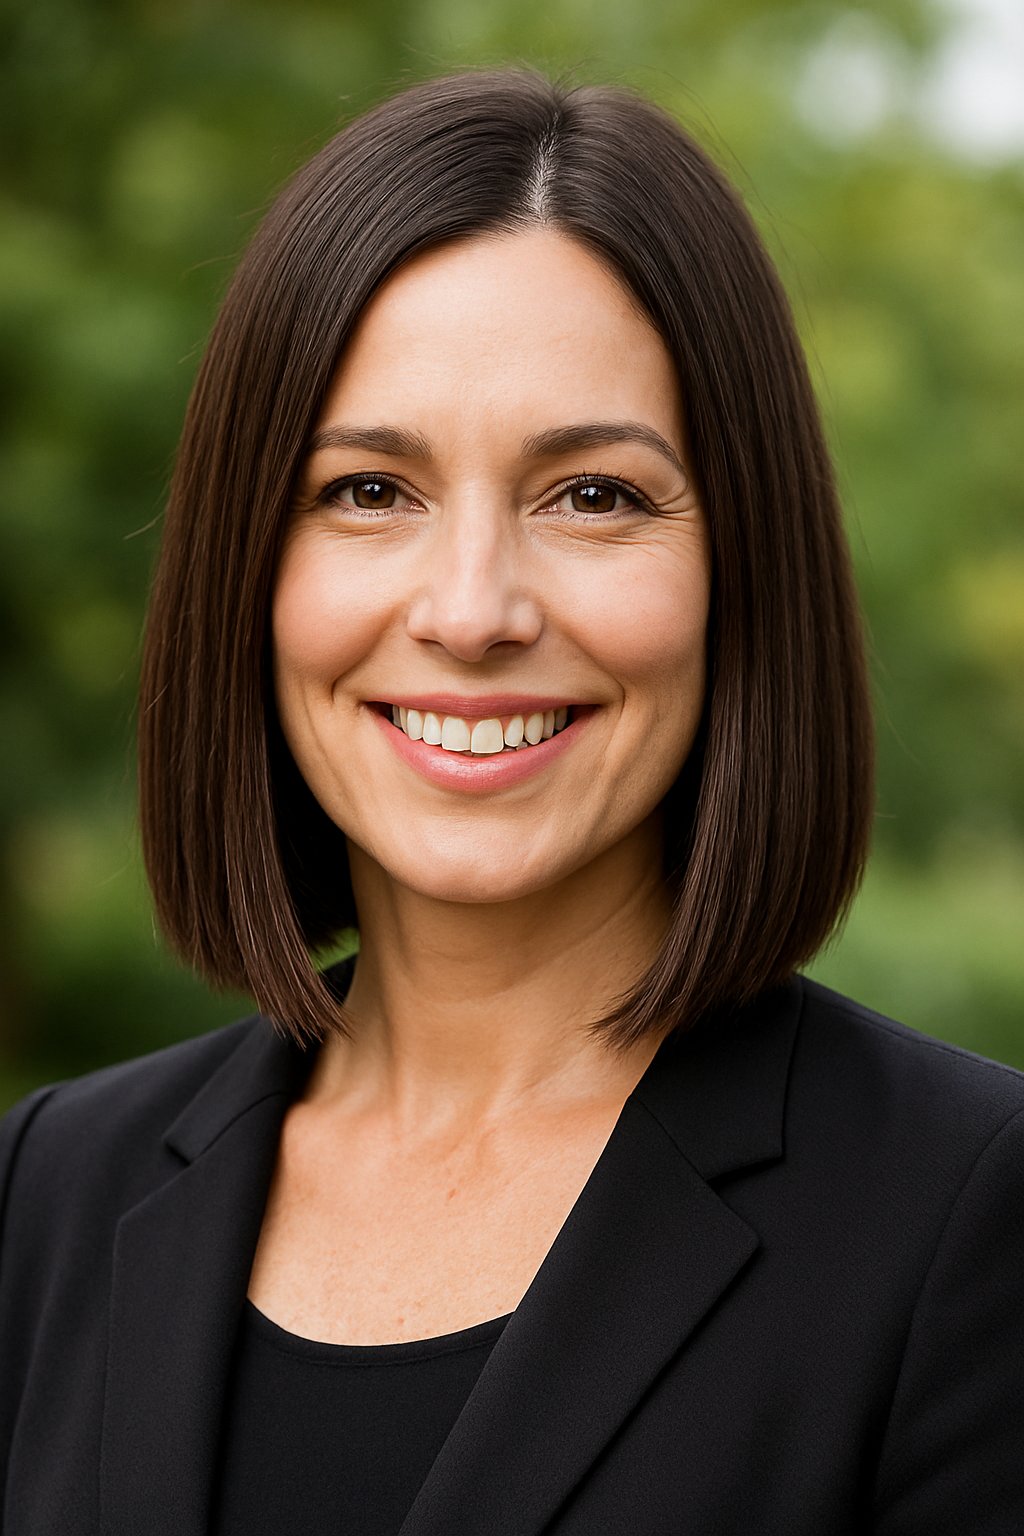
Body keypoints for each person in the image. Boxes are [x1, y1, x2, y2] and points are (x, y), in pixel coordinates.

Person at [1, 68, 1021, 1536]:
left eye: (593, 496)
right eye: (367, 491)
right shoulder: (46, 1198)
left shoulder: (968, 1221)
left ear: (745, 570)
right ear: (248, 567)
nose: (472, 611)